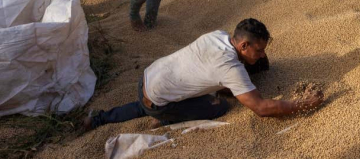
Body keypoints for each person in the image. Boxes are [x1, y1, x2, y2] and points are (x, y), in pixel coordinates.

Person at [83, 18, 324, 131]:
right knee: (219, 105)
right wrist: (303, 105)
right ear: (243, 47)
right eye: (258, 51)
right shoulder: (230, 68)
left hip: (148, 78)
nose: (261, 55)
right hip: (161, 101)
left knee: (145, 103)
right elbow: (261, 108)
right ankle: (167, 118)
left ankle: (99, 119)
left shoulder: (217, 34)